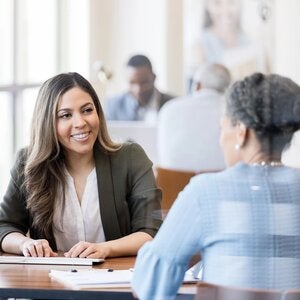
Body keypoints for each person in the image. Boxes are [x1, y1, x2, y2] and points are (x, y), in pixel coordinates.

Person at [132, 72, 300, 299]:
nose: (221, 140)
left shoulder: (206, 192)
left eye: (223, 128)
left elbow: (150, 284)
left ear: (241, 131)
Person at [0, 72, 162, 258]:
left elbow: (151, 232)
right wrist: (25, 243)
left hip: (114, 279)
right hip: (50, 282)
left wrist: (105, 248)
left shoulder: (131, 157)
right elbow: (4, 226)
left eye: (87, 110)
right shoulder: (27, 163)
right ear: (47, 122)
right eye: (66, 115)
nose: (80, 123)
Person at [157, 63, 231, 172]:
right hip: (221, 185)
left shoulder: (169, 108)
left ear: (197, 85)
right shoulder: (233, 112)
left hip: (173, 185)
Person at [105, 54, 174, 122]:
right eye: (132, 83)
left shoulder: (173, 104)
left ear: (154, 78)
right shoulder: (113, 105)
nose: (138, 90)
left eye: (144, 82)